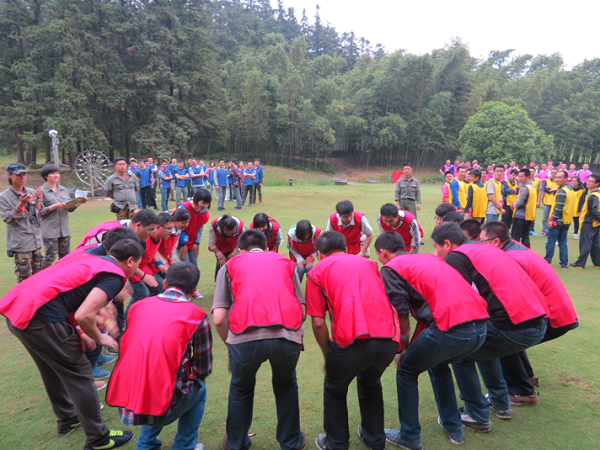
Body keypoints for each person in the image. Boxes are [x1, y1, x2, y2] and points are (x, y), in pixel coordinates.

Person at [0, 239, 143, 450]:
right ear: (130, 260)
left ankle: (68, 418)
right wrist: (100, 337)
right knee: (80, 373)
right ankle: (99, 439)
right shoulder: (115, 274)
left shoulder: (91, 257)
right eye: (138, 264)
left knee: (51, 368)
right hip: (40, 317)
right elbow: (84, 314)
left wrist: (85, 329)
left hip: (18, 309)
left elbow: (68, 296)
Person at [375, 232, 489, 449]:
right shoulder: (430, 257)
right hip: (481, 327)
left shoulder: (391, 267)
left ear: (383, 253)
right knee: (438, 365)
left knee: (406, 370)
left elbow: (400, 312)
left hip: (452, 329)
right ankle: (454, 426)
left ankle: (409, 436)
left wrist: (403, 348)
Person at [431, 224, 547, 432]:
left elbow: (463, 299)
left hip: (516, 327)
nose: (435, 252)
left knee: (460, 353)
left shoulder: (457, 256)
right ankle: (500, 402)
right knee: (483, 344)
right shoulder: (487, 248)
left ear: (447, 244)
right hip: (538, 321)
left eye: (435, 247)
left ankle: (477, 414)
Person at [212, 230, 307, 450]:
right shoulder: (286, 263)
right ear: (266, 248)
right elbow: (301, 307)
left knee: (240, 389)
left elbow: (218, 318)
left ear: (240, 250)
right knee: (286, 385)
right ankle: (291, 441)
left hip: (244, 336)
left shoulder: (230, 265)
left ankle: (236, 443)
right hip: (287, 333)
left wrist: (231, 346)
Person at [305, 231, 399, 450]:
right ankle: (375, 439)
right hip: (387, 339)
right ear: (346, 249)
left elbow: (318, 323)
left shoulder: (317, 271)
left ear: (319, 254)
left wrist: (327, 355)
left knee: (334, 389)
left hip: (350, 342)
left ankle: (337, 443)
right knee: (371, 383)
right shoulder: (370, 265)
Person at [107, 262, 212, 450]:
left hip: (128, 398)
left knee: (154, 378)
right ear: (193, 289)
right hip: (160, 403)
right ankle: (184, 447)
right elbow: (202, 368)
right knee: (200, 388)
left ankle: (146, 444)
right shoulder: (196, 316)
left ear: (165, 283)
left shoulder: (137, 306)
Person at [480, 221, 578, 405]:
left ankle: (522, 392)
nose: (478, 246)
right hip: (557, 312)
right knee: (509, 332)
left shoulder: (510, 258)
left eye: (481, 241)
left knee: (502, 337)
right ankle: (526, 377)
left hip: (553, 316)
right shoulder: (515, 248)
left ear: (495, 241)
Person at [0, 162, 43, 283]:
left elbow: (40, 212)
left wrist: (37, 200)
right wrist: (20, 205)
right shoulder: (4, 197)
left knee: (38, 277)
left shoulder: (31, 191)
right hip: (22, 243)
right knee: (24, 279)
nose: (22, 177)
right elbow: (8, 219)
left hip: (36, 240)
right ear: (10, 175)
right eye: (19, 175)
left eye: (24, 174)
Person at [38, 164, 87, 269]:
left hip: (64, 230)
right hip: (50, 231)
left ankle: (62, 277)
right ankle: (40, 276)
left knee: (65, 258)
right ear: (45, 176)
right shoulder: (40, 191)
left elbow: (70, 208)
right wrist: (55, 206)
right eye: (52, 173)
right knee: (50, 257)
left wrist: (79, 202)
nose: (56, 175)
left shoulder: (63, 190)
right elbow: (39, 212)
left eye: (57, 173)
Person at [128, 212, 175, 312]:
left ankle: (149, 310)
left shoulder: (158, 238)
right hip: (134, 269)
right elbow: (130, 262)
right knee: (142, 293)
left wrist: (158, 263)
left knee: (159, 284)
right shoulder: (144, 239)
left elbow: (153, 251)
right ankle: (126, 319)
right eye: (169, 228)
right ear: (158, 227)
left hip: (143, 267)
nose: (171, 231)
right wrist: (143, 276)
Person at [77, 209, 158, 248]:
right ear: (138, 225)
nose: (151, 234)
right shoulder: (115, 234)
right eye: (150, 230)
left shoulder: (129, 225)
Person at [174, 188, 211, 270]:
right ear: (196, 200)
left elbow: (200, 227)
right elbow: (175, 227)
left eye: (207, 203)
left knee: (194, 266)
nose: (205, 206)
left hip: (193, 241)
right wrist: (182, 244)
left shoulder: (204, 212)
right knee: (185, 267)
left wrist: (197, 243)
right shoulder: (183, 208)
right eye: (203, 203)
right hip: (180, 240)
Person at [545, 170, 575, 268]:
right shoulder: (570, 190)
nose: (557, 179)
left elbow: (559, 207)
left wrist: (552, 219)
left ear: (566, 179)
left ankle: (547, 260)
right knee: (562, 242)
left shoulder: (562, 191)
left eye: (560, 177)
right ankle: (564, 262)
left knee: (551, 241)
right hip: (567, 220)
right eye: (556, 177)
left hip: (558, 221)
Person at [570, 173, 600, 269]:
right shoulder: (597, 194)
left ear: (597, 183)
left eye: (591, 181)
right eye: (588, 180)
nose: (588, 182)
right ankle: (597, 263)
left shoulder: (593, 196)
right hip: (596, 223)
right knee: (595, 243)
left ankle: (580, 263)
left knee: (585, 243)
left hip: (589, 222)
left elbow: (594, 210)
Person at [208, 214, 244, 280]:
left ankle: (231, 282)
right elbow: (211, 243)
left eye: (232, 233)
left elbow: (240, 243)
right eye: (227, 233)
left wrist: (233, 254)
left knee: (231, 265)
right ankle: (218, 282)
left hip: (233, 246)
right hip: (219, 247)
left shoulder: (240, 227)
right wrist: (220, 256)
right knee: (220, 265)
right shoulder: (214, 228)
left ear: (236, 228)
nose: (230, 235)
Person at [510, 168, 537, 248]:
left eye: (521, 177)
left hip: (520, 216)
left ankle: (515, 253)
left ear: (528, 177)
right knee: (525, 237)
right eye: (519, 177)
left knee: (515, 238)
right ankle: (528, 253)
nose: (519, 179)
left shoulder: (525, 188)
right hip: (528, 216)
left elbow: (520, 202)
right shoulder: (532, 187)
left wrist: (513, 205)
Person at [540, 168, 558, 236]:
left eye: (555, 173)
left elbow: (559, 190)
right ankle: (544, 231)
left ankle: (552, 232)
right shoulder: (547, 180)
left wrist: (550, 189)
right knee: (545, 218)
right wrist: (554, 189)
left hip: (555, 202)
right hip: (547, 202)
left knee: (554, 218)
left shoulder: (558, 182)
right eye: (552, 172)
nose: (553, 174)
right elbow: (545, 189)